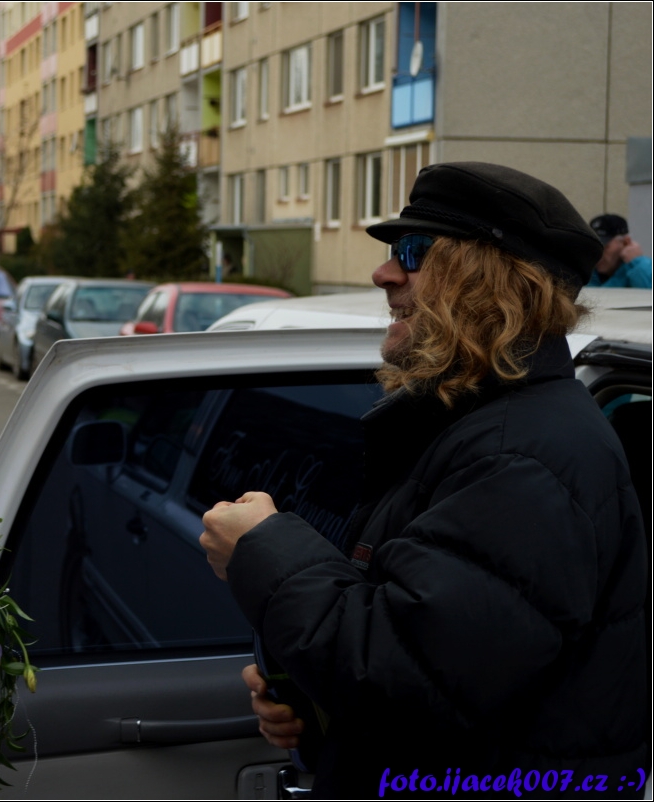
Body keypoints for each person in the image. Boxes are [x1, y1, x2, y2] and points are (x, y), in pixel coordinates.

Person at [199, 163, 648, 797]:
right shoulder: (484, 427)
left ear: (491, 281)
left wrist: (261, 548)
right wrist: (314, 707)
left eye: (413, 252)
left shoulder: (523, 457)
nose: (383, 274)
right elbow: (446, 680)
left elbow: (405, 678)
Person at [587, 213, 653, 288]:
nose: (597, 254)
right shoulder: (591, 273)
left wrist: (636, 263)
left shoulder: (645, 268)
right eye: (593, 247)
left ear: (626, 242)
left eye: (604, 247)